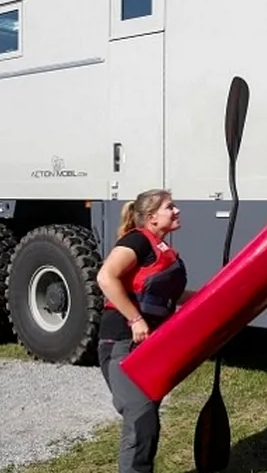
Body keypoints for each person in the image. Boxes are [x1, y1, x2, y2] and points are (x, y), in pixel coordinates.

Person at [96, 188, 188, 472]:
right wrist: (136, 319)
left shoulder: (162, 249)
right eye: (170, 207)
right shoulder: (136, 240)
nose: (177, 211)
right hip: (122, 342)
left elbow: (164, 295)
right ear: (151, 217)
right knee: (141, 420)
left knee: (147, 421)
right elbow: (106, 277)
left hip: (148, 343)